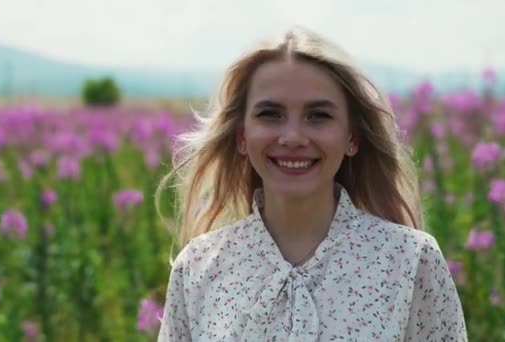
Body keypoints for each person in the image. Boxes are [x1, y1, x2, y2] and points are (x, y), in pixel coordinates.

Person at [156, 26, 467, 341]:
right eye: (270, 114)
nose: (292, 137)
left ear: (352, 137)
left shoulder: (411, 260)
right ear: (241, 137)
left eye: (318, 116)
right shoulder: (197, 268)